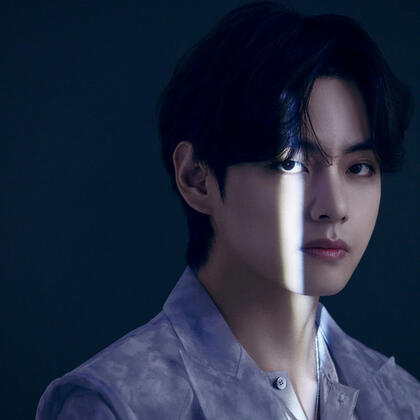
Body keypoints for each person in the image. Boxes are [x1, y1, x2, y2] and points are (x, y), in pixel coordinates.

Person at [36, 2, 420, 419]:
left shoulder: (402, 400)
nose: (334, 207)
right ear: (196, 178)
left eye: (358, 167)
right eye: (290, 164)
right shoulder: (116, 404)